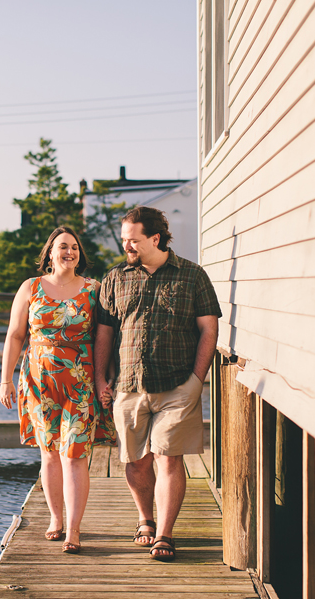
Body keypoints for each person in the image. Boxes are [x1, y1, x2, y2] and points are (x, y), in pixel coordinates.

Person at [94, 206, 221, 562]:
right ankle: (144, 519)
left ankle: (165, 534)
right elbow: (104, 333)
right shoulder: (116, 278)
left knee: (168, 459)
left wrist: (198, 380)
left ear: (155, 238)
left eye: (132, 240)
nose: (127, 247)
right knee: (136, 462)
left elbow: (209, 329)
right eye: (124, 241)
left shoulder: (193, 276)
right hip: (129, 385)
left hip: (178, 385)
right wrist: (100, 378)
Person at [0, 226, 117, 555]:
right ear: (50, 253)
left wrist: (104, 380)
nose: (69, 252)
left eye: (75, 248)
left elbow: (105, 339)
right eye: (62, 247)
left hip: (80, 383)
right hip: (38, 384)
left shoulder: (94, 290)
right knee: (50, 454)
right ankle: (55, 519)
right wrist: (5, 379)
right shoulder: (30, 288)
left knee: (76, 455)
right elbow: (14, 335)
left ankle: (75, 529)